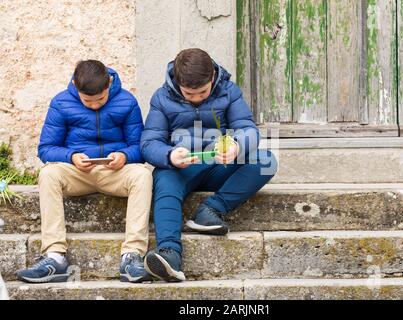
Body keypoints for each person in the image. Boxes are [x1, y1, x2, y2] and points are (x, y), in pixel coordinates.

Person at [140, 48, 278, 282]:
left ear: (212, 76)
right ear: (177, 81)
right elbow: (149, 142)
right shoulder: (161, 98)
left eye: (202, 92)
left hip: (219, 165)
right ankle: (169, 254)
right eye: (188, 94)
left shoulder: (229, 92)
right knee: (164, 182)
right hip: (181, 168)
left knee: (265, 160)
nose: (196, 98)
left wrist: (236, 146)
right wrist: (170, 156)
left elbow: (248, 130)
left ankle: (210, 210)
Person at [16, 60, 153, 283]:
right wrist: (71, 157)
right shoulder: (61, 103)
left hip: (114, 172)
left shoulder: (127, 101)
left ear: (109, 83)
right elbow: (46, 149)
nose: (95, 105)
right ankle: (55, 257)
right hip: (77, 172)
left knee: (143, 175)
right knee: (48, 174)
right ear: (74, 85)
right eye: (87, 100)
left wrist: (125, 156)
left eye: (100, 99)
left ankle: (132, 256)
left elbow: (141, 146)